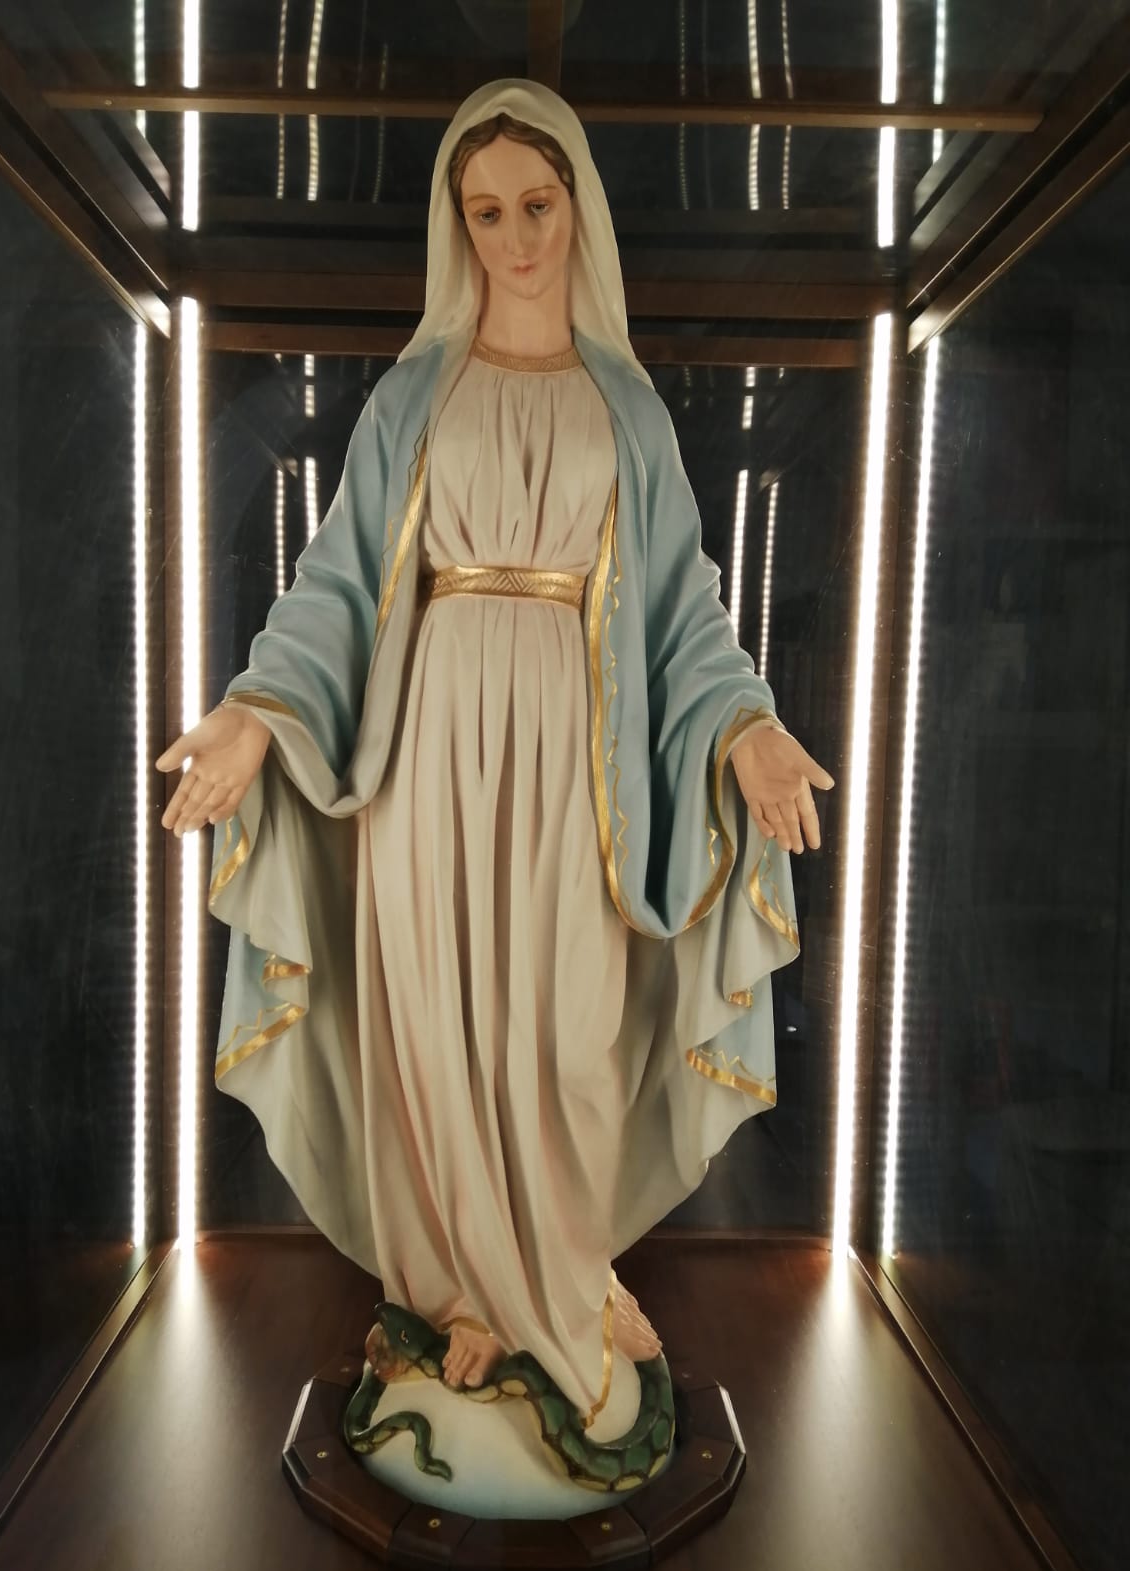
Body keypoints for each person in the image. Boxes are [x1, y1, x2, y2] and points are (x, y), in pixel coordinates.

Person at [156, 79, 833, 1436]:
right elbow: (338, 584)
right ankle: (459, 1302)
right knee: (433, 1026)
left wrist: (749, 726)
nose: (515, 238)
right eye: (485, 213)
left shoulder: (627, 409)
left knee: (573, 1031)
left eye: (536, 205)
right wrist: (252, 711)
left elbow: (684, 610)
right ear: (454, 226)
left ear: (578, 207)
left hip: (579, 766)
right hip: (425, 756)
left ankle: (562, 1281)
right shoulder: (414, 395)